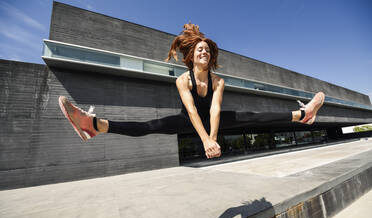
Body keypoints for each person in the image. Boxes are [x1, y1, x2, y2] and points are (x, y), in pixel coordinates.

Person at [58, 23, 325, 159]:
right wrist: (205, 141)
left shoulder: (218, 81)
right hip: (187, 119)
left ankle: (303, 115)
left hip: (211, 120)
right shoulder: (182, 80)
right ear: (191, 56)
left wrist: (213, 137)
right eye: (200, 49)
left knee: (251, 115)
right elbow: (192, 111)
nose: (204, 51)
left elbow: (215, 109)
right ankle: (92, 125)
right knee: (149, 125)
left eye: (208, 50)